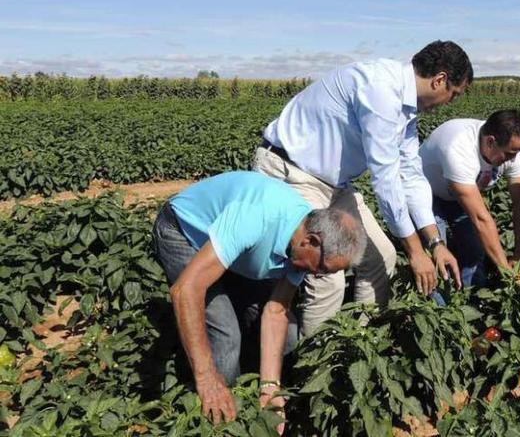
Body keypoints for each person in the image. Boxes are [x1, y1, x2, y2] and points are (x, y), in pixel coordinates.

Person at [252, 40, 472, 337]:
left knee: (383, 257)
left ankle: (361, 345)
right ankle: (318, 367)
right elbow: (386, 179)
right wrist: (416, 252)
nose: (449, 103)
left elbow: (410, 172)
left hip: (333, 183)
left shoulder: (406, 109)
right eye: (453, 95)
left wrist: (435, 243)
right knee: (327, 271)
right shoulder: (381, 89)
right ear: (440, 80)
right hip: (291, 171)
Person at [152, 171, 366, 427]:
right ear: (310, 241)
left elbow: (276, 311)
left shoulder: (301, 246)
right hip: (186, 231)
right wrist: (207, 377)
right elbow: (185, 291)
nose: (318, 277)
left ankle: (257, 404)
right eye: (322, 269)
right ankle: (220, 420)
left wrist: (270, 388)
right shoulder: (255, 218)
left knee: (288, 334)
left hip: (235, 250)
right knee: (225, 333)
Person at [419, 109, 520, 303]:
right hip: (425, 194)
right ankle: (441, 317)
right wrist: (507, 272)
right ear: (490, 142)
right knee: (437, 259)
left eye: (518, 152)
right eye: (510, 153)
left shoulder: (513, 151)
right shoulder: (458, 147)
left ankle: (474, 306)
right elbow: (481, 219)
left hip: (460, 193)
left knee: (475, 250)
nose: (514, 159)